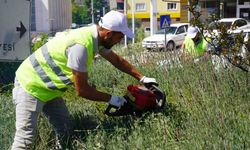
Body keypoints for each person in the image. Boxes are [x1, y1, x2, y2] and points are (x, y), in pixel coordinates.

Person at [11, 10, 157, 149]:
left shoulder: (95, 38)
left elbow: (116, 60)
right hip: (30, 86)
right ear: (109, 34)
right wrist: (115, 100)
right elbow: (82, 90)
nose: (120, 41)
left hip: (49, 90)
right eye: (120, 37)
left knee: (66, 130)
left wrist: (142, 78)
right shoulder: (81, 47)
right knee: (25, 140)